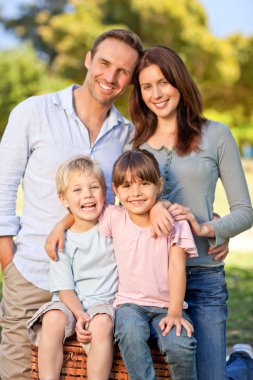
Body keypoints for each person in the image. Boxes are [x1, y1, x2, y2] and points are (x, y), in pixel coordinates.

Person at [0, 28, 143, 380]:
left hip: (98, 281)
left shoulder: (127, 136)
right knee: (18, 371)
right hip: (33, 270)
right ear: (88, 59)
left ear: (131, 80)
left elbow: (136, 199)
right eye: (105, 63)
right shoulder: (33, 112)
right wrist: (8, 259)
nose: (110, 77)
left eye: (123, 71)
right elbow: (4, 184)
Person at [128, 45, 253, 380]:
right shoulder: (134, 145)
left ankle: (242, 364)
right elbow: (121, 210)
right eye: (146, 86)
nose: (156, 93)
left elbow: (245, 211)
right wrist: (154, 206)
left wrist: (211, 229)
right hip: (151, 285)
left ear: (179, 82)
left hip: (203, 277)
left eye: (163, 82)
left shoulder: (217, 135)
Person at [99, 149, 198, 380]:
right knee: (129, 333)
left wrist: (175, 312)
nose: (136, 192)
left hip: (168, 305)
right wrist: (58, 228)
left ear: (159, 185)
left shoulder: (175, 223)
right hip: (130, 305)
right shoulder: (114, 217)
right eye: (126, 186)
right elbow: (83, 209)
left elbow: (177, 268)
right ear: (116, 190)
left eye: (144, 183)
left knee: (180, 345)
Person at [27, 155, 118, 380]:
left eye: (94, 187)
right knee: (52, 318)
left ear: (105, 191)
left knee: (101, 323)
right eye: (77, 190)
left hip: (104, 302)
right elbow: (64, 289)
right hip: (70, 303)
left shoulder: (114, 226)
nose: (87, 194)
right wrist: (78, 314)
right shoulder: (61, 241)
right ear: (63, 199)